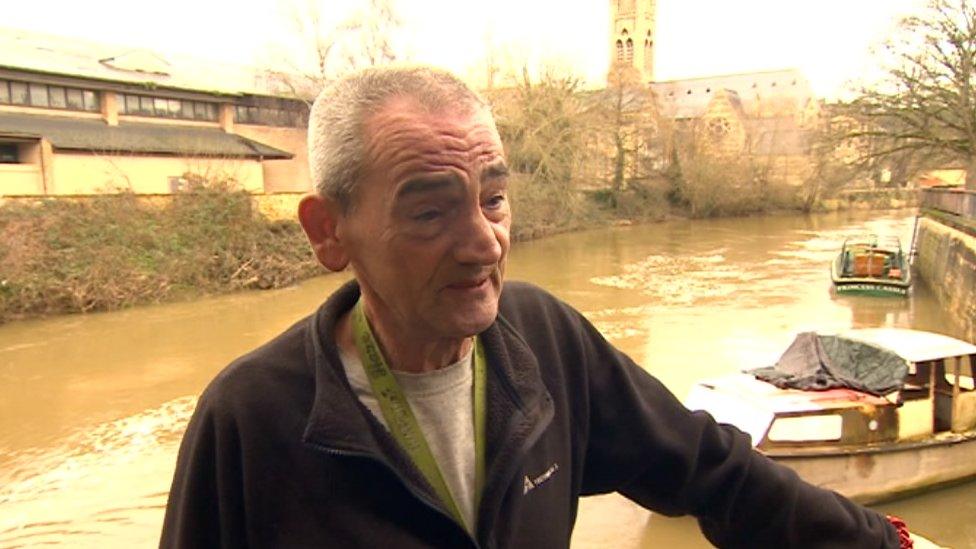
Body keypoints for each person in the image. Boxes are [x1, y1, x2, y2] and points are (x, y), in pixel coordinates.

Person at [160, 66, 913, 548]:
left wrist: (887, 544)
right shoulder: (250, 419)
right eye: (430, 213)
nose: (484, 243)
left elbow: (713, 471)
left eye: (494, 198)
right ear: (330, 232)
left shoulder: (545, 341)